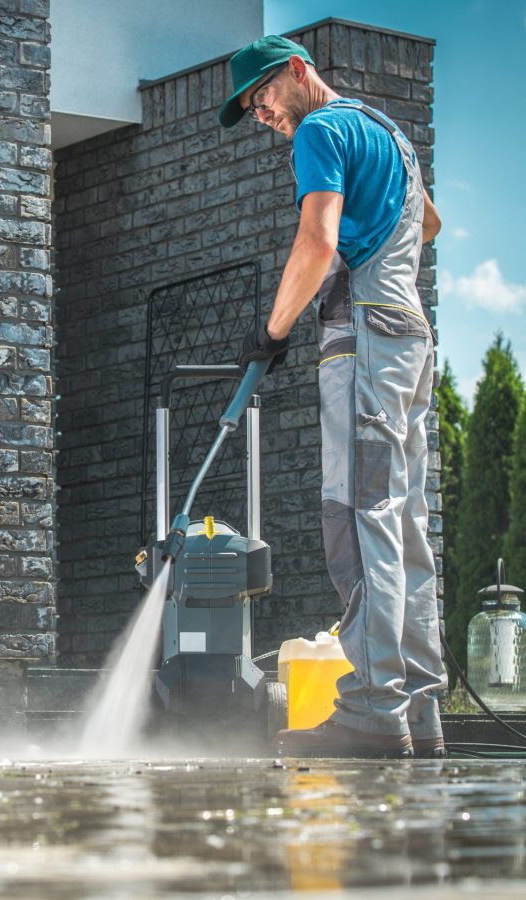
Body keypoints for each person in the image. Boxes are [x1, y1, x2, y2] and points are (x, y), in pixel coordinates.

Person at [219, 36, 446, 758]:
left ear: (296, 69)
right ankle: (419, 710)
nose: (262, 113)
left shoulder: (320, 129)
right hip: (408, 333)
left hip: (367, 340)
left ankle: (373, 709)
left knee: (358, 515)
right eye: (253, 108)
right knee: (403, 522)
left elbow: (315, 244)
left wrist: (272, 331)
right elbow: (429, 225)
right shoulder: (390, 135)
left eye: (262, 95)